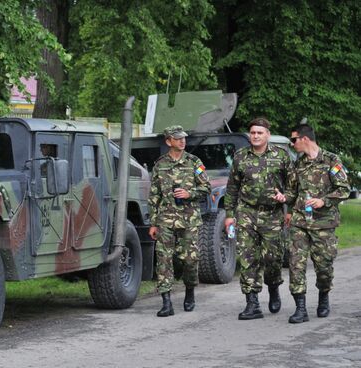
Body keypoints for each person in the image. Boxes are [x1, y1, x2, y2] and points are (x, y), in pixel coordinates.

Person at [224, 117, 292, 320]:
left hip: (272, 214)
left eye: (259, 133)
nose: (255, 136)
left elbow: (293, 185)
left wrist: (286, 201)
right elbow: (232, 188)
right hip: (246, 213)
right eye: (252, 133)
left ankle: (273, 287)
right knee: (247, 258)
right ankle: (252, 303)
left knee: (273, 258)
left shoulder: (281, 156)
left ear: (267, 135)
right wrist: (229, 215)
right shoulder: (240, 157)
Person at [282, 124, 350, 323]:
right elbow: (292, 192)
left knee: (324, 267)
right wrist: (282, 198)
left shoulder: (331, 160)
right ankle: (300, 309)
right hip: (300, 222)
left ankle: (323, 296)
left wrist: (324, 201)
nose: (292, 143)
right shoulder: (298, 164)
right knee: (296, 265)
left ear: (305, 139)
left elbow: (344, 188)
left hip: (324, 223)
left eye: (294, 140)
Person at [148, 125, 210, 317]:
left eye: (184, 138)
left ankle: (190, 291)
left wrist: (189, 193)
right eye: (178, 138)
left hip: (189, 220)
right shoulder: (160, 164)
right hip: (165, 220)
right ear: (169, 141)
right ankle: (166, 302)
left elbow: (206, 188)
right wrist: (153, 222)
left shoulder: (194, 162)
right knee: (164, 260)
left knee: (191, 260)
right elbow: (154, 196)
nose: (183, 141)